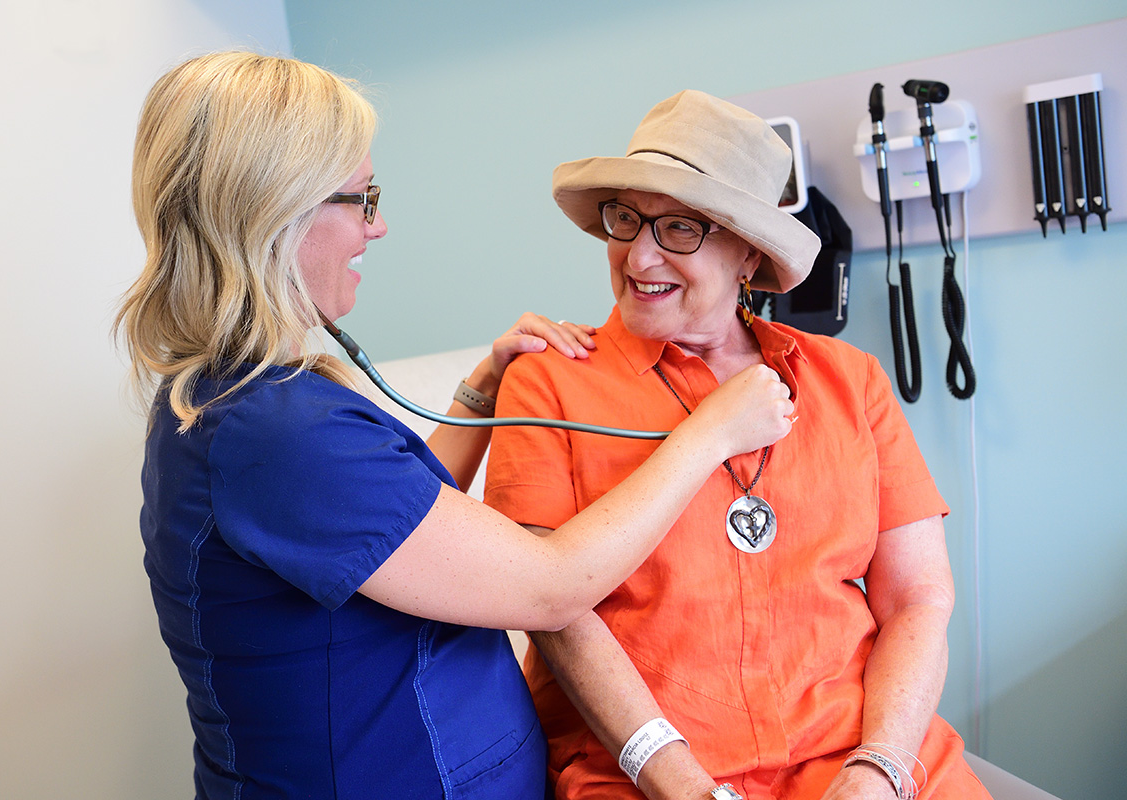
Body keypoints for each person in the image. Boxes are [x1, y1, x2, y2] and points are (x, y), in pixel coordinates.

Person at [114, 54, 795, 800]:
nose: (378, 226)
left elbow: (396, 531)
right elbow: (550, 589)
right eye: (361, 198)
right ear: (276, 211)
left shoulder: (240, 403)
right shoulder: (275, 434)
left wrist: (480, 391)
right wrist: (710, 435)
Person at [484, 91, 991, 800]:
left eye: (680, 228)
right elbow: (557, 614)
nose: (640, 253)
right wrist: (685, 786)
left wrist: (879, 768)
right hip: (646, 766)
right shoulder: (547, 384)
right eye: (626, 218)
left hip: (856, 751)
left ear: (748, 252)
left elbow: (918, 599)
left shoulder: (852, 381)